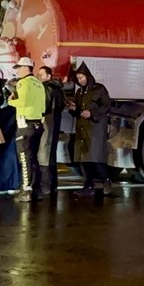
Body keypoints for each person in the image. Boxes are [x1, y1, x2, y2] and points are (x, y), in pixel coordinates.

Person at [67, 62, 115, 197]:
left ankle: (106, 181)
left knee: (96, 157)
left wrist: (92, 114)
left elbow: (106, 106)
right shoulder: (79, 92)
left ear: (87, 76)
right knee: (83, 157)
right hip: (82, 127)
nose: (80, 80)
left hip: (96, 128)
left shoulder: (99, 89)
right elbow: (78, 110)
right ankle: (88, 185)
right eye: (78, 78)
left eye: (82, 77)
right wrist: (74, 109)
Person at [9, 57, 46, 201]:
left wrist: (11, 101)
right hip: (38, 123)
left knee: (25, 158)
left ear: (25, 68)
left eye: (18, 68)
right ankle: (36, 189)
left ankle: (26, 190)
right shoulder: (39, 83)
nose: (17, 71)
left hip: (25, 124)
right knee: (34, 158)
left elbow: (22, 101)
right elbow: (43, 106)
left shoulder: (23, 83)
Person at [37, 65, 66, 196]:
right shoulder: (58, 88)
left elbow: (45, 106)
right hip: (55, 121)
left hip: (47, 122)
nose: (39, 77)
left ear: (49, 76)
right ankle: (53, 185)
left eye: (41, 74)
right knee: (51, 153)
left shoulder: (46, 87)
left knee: (44, 152)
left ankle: (46, 186)